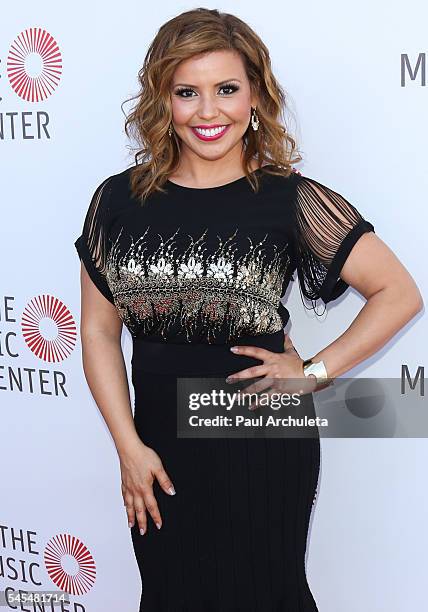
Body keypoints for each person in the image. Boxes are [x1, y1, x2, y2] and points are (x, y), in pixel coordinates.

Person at [74, 8, 423, 612]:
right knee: (170, 593)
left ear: (256, 96)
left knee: (266, 593)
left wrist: (313, 373)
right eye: (188, 92)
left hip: (257, 429)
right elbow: (100, 333)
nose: (209, 112)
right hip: (156, 437)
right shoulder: (117, 202)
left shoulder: (289, 199)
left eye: (227, 90)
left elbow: (399, 293)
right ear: (164, 100)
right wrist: (128, 447)